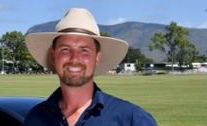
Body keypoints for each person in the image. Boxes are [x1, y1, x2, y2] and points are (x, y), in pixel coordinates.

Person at [23, 8, 157, 126]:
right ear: (53, 56)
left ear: (97, 57)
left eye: (84, 50)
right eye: (65, 49)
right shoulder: (35, 118)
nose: (74, 58)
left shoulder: (132, 120)